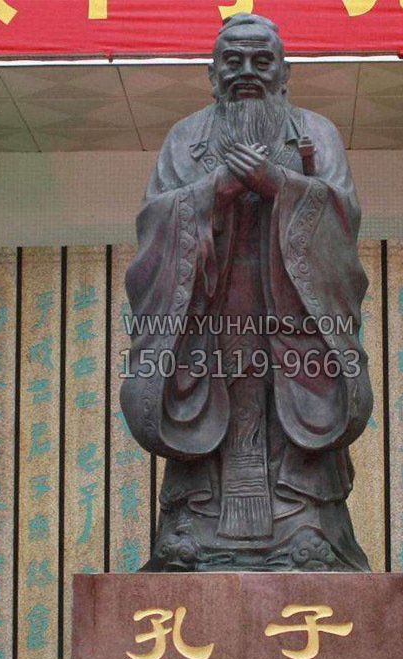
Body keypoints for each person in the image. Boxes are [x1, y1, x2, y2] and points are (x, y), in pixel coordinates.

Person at [120, 13, 373, 571]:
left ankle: (305, 525)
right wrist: (217, 189)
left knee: (294, 424)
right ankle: (194, 526)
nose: (247, 72)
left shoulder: (315, 133)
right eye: (232, 61)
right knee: (208, 418)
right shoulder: (186, 138)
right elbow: (155, 226)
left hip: (293, 319)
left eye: (262, 61)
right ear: (213, 74)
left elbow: (342, 220)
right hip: (210, 319)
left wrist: (276, 183)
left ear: (285, 72)